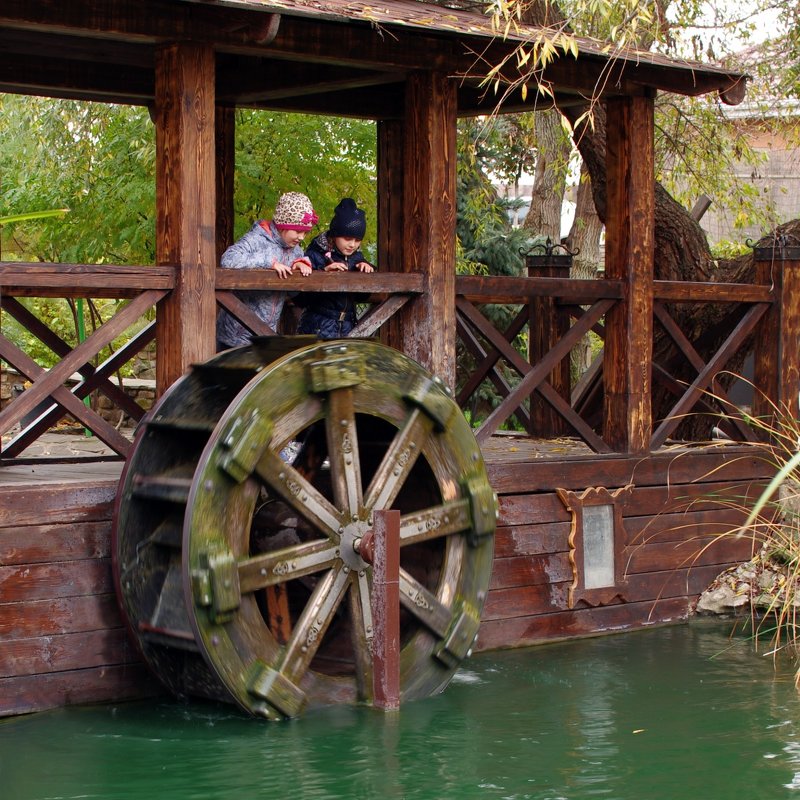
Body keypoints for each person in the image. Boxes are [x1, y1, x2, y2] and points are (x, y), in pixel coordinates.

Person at [216, 191, 318, 349]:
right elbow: (229, 258)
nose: (302, 237)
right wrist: (268, 263)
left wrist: (299, 274)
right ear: (283, 225)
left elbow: (291, 294)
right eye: (297, 231)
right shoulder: (258, 239)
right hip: (234, 337)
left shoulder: (296, 251)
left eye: (305, 232)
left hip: (265, 336)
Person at [296, 197, 375, 339]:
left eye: (357, 240)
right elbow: (300, 299)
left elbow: (362, 296)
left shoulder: (357, 258)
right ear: (335, 235)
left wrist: (365, 272)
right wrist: (323, 275)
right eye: (347, 238)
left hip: (348, 327)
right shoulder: (315, 254)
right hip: (317, 328)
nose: (352, 245)